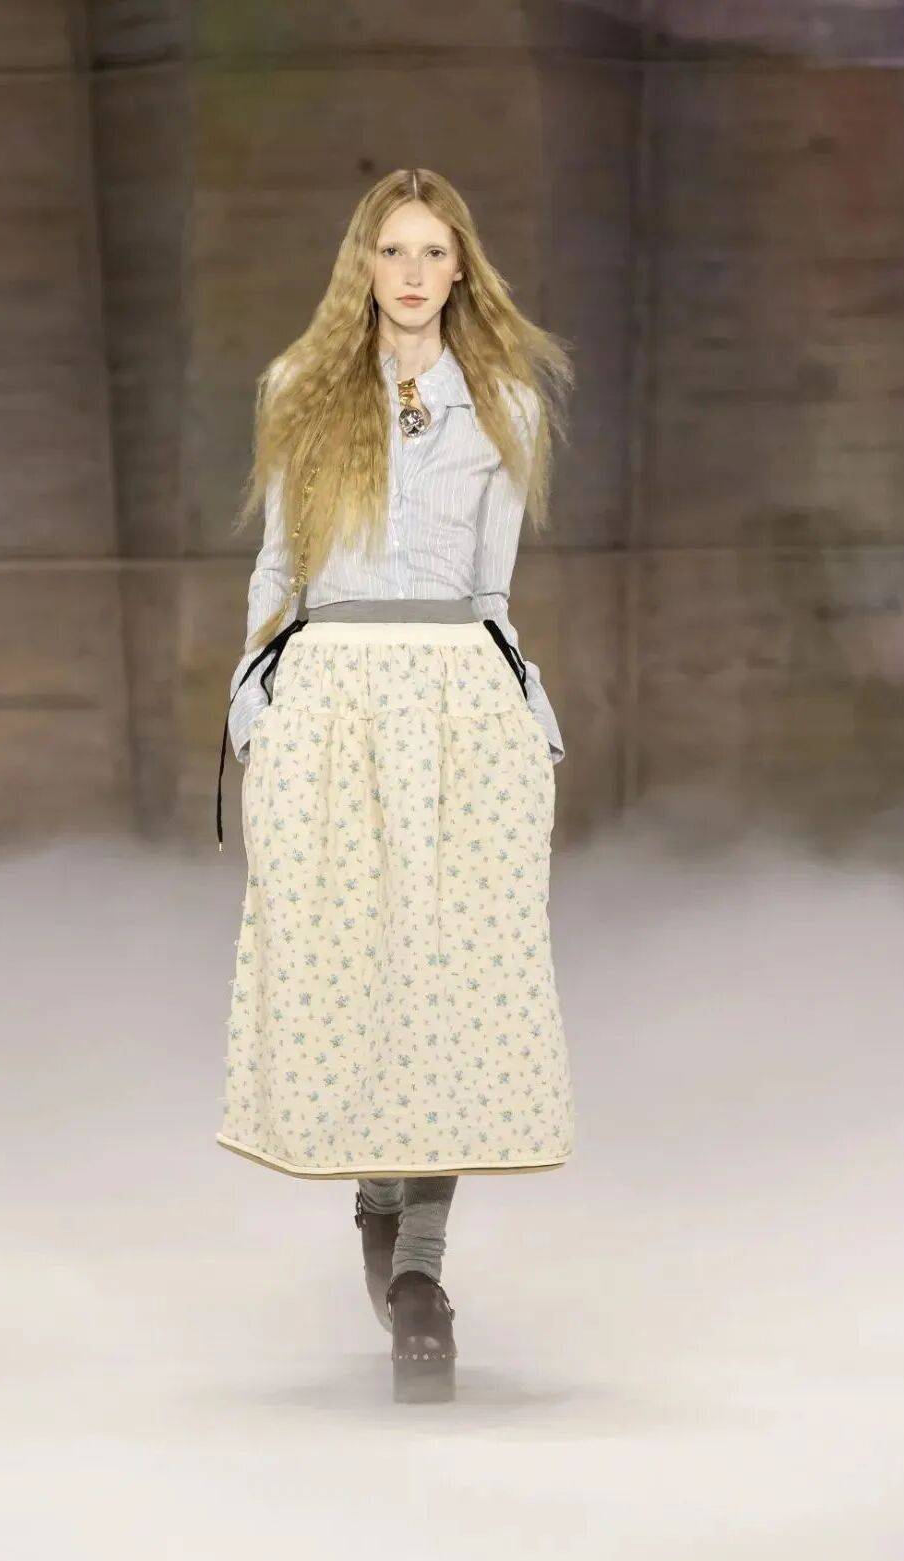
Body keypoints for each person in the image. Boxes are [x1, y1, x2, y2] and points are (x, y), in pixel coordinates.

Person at [216, 167, 576, 1403]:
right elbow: (278, 568)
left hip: (458, 704)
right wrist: (254, 712)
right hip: (329, 697)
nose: (413, 273)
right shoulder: (301, 389)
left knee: (450, 980)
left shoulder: (505, 400)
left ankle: (419, 1271)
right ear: (361, 266)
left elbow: (490, 590)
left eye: (433, 251)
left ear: (460, 267)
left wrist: (528, 718)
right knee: (350, 963)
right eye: (392, 250)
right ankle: (377, 1190)